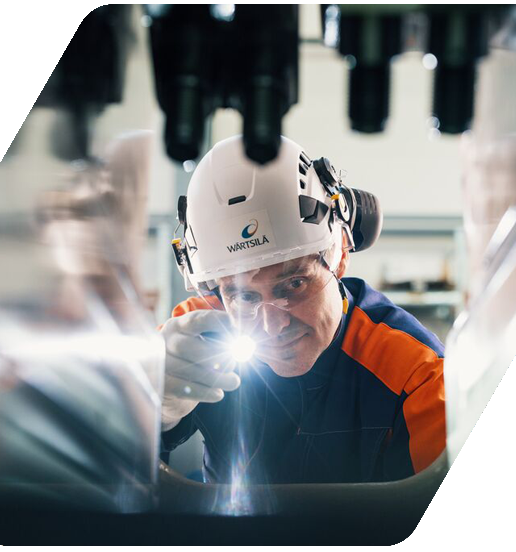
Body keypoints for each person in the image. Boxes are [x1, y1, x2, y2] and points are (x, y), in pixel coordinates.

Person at [158, 135, 445, 484]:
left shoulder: (414, 373)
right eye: (243, 297)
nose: (271, 326)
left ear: (339, 254)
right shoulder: (197, 337)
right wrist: (153, 410)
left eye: (294, 284)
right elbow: (108, 475)